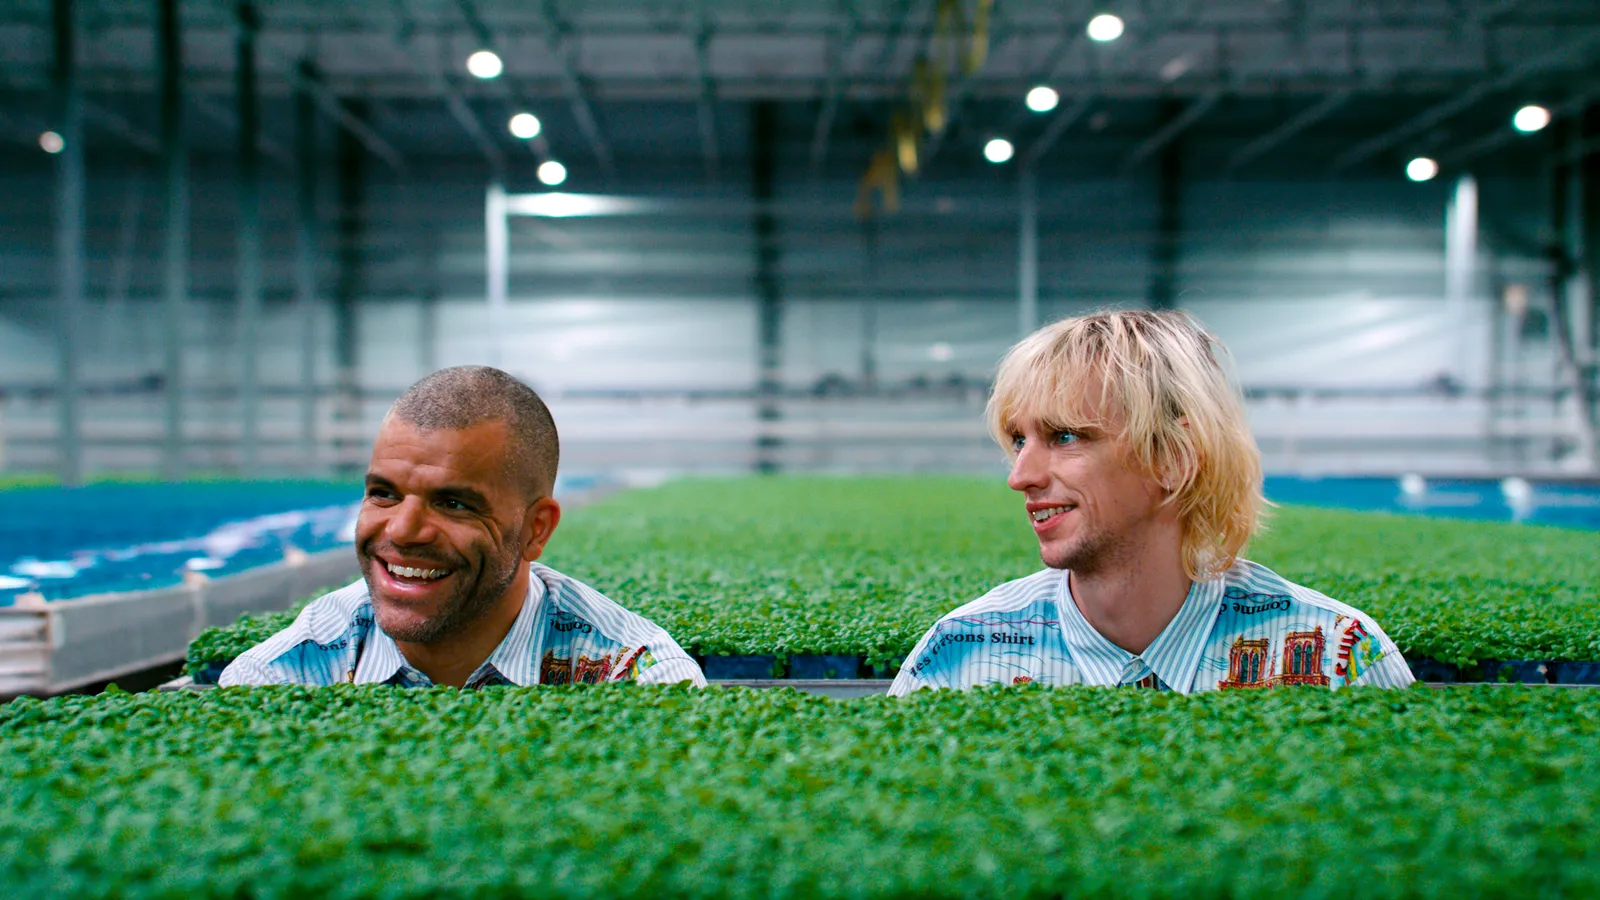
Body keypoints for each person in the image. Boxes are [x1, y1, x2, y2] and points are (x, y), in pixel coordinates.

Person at [888, 310, 1413, 696]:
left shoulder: (1339, 658)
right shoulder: (955, 658)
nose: (1020, 476)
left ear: (1174, 457)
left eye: (1066, 436)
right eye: (1019, 440)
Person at [221, 366, 705, 689]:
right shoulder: (282, 675)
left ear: (536, 530)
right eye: (384, 493)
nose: (405, 530)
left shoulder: (635, 677)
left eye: (452, 503)